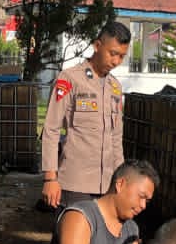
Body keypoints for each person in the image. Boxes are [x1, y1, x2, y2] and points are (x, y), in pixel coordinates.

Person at [40, 21, 131, 209]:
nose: (116, 61)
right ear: (97, 46)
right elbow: (51, 129)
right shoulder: (70, 79)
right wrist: (50, 178)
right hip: (75, 184)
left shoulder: (115, 87)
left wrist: (121, 177)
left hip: (107, 185)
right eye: (113, 53)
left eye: (122, 56)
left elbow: (116, 137)